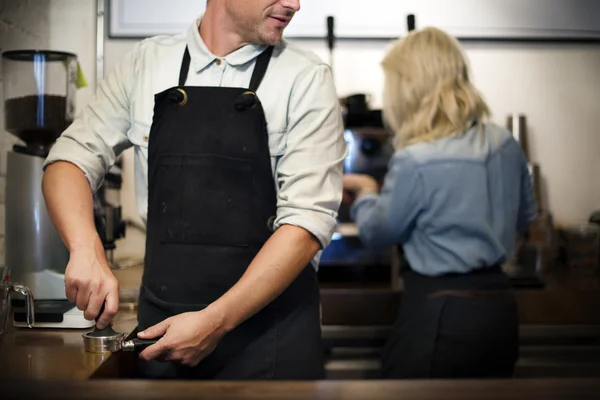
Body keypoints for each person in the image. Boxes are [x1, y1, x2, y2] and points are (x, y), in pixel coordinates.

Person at [41, 0, 347, 380]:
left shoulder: (306, 78)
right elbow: (68, 160)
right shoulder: (146, 63)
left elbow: (307, 223)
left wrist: (215, 322)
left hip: (271, 341)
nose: (294, 4)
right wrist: (85, 250)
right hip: (163, 336)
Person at [342, 27, 538, 379]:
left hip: (441, 310)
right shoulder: (504, 142)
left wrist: (367, 190)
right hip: (500, 311)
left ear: (411, 86)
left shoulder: (416, 158)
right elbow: (526, 217)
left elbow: (378, 232)